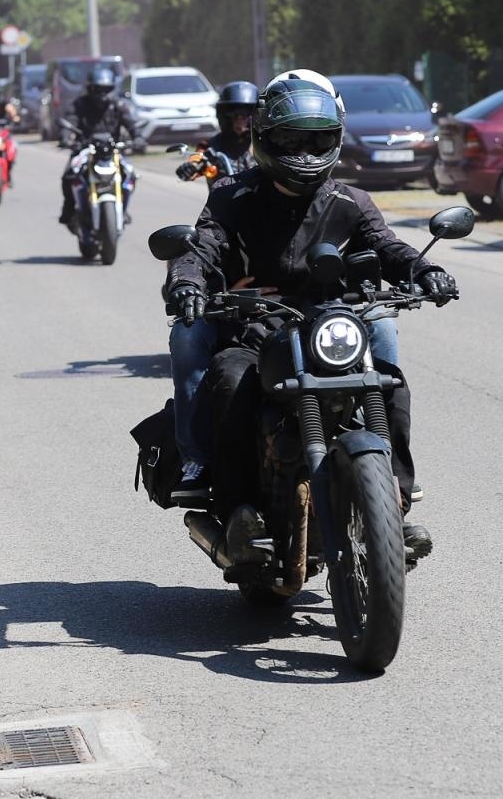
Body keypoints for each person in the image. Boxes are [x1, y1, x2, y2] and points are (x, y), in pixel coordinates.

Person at [162, 76, 457, 558]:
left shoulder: (349, 202)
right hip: (254, 327)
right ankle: (235, 507)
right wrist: (188, 283)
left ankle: (394, 502)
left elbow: (386, 245)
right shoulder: (232, 196)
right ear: (264, 138)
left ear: (336, 140)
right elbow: (202, 246)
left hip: (328, 328)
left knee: (388, 383)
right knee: (231, 379)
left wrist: (426, 269)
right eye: (292, 140)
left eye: (318, 140)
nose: (305, 151)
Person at [58, 67, 140, 229]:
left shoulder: (118, 105)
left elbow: (131, 124)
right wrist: (66, 138)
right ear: (90, 88)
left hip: (112, 150)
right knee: (68, 176)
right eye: (97, 89)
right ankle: (68, 211)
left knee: (131, 174)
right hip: (85, 149)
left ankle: (122, 209)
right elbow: (69, 123)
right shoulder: (79, 104)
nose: (101, 94)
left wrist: (138, 138)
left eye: (106, 89)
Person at [176, 81, 259, 184]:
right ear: (224, 115)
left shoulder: (264, 143)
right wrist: (190, 168)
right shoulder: (211, 145)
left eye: (245, 115)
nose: (240, 120)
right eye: (234, 114)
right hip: (224, 198)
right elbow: (197, 160)